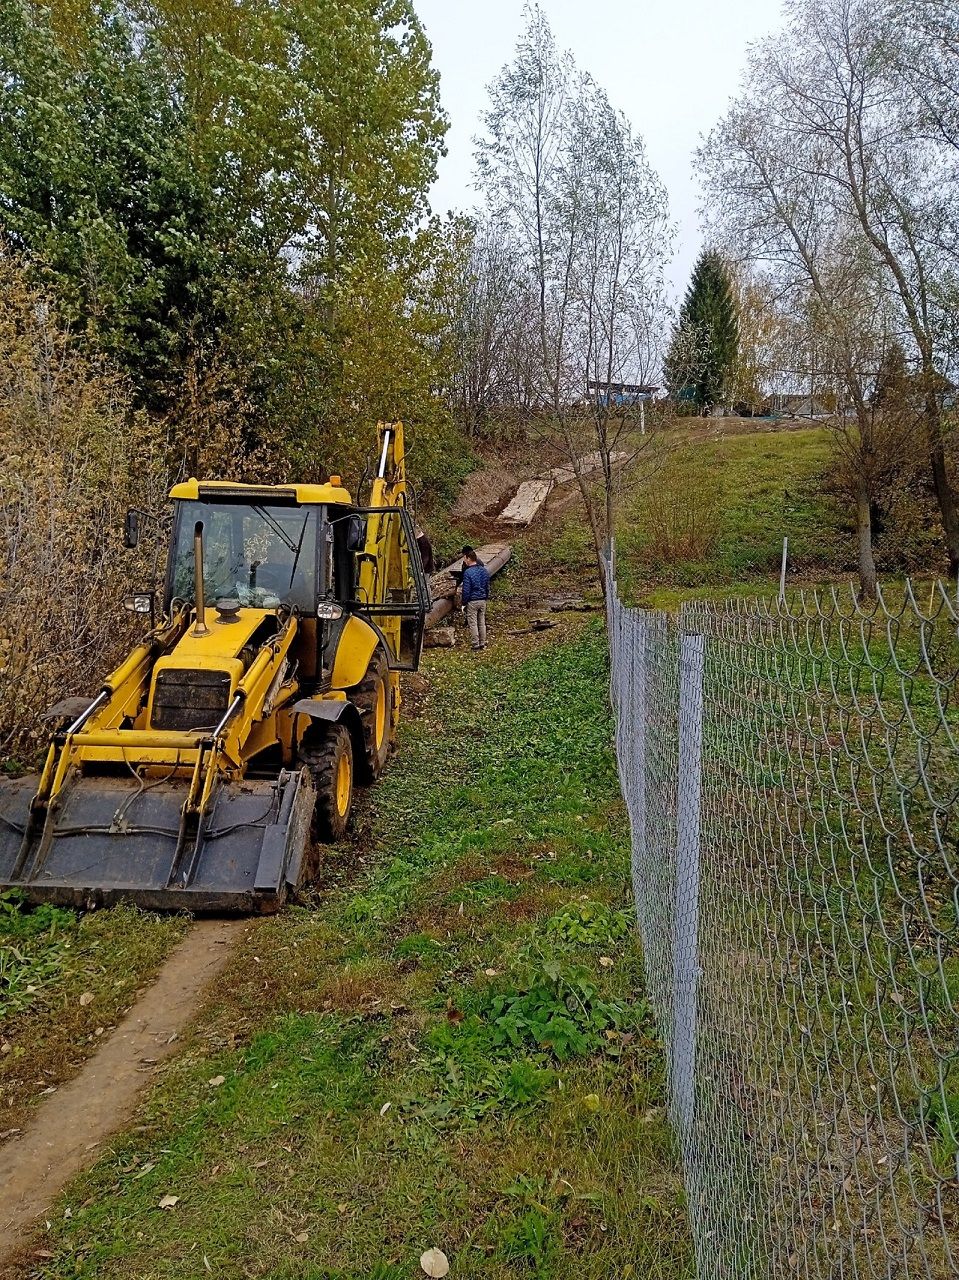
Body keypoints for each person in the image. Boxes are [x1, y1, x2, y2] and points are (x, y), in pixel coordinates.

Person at [460, 549, 490, 651]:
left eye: (465, 558)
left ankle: (475, 644)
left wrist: (464, 603)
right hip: (482, 600)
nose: (464, 561)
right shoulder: (484, 570)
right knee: (482, 622)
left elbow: (466, 590)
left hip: (473, 601)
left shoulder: (468, 572)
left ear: (469, 558)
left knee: (473, 623)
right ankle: (483, 643)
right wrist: (485, 597)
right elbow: (487, 586)